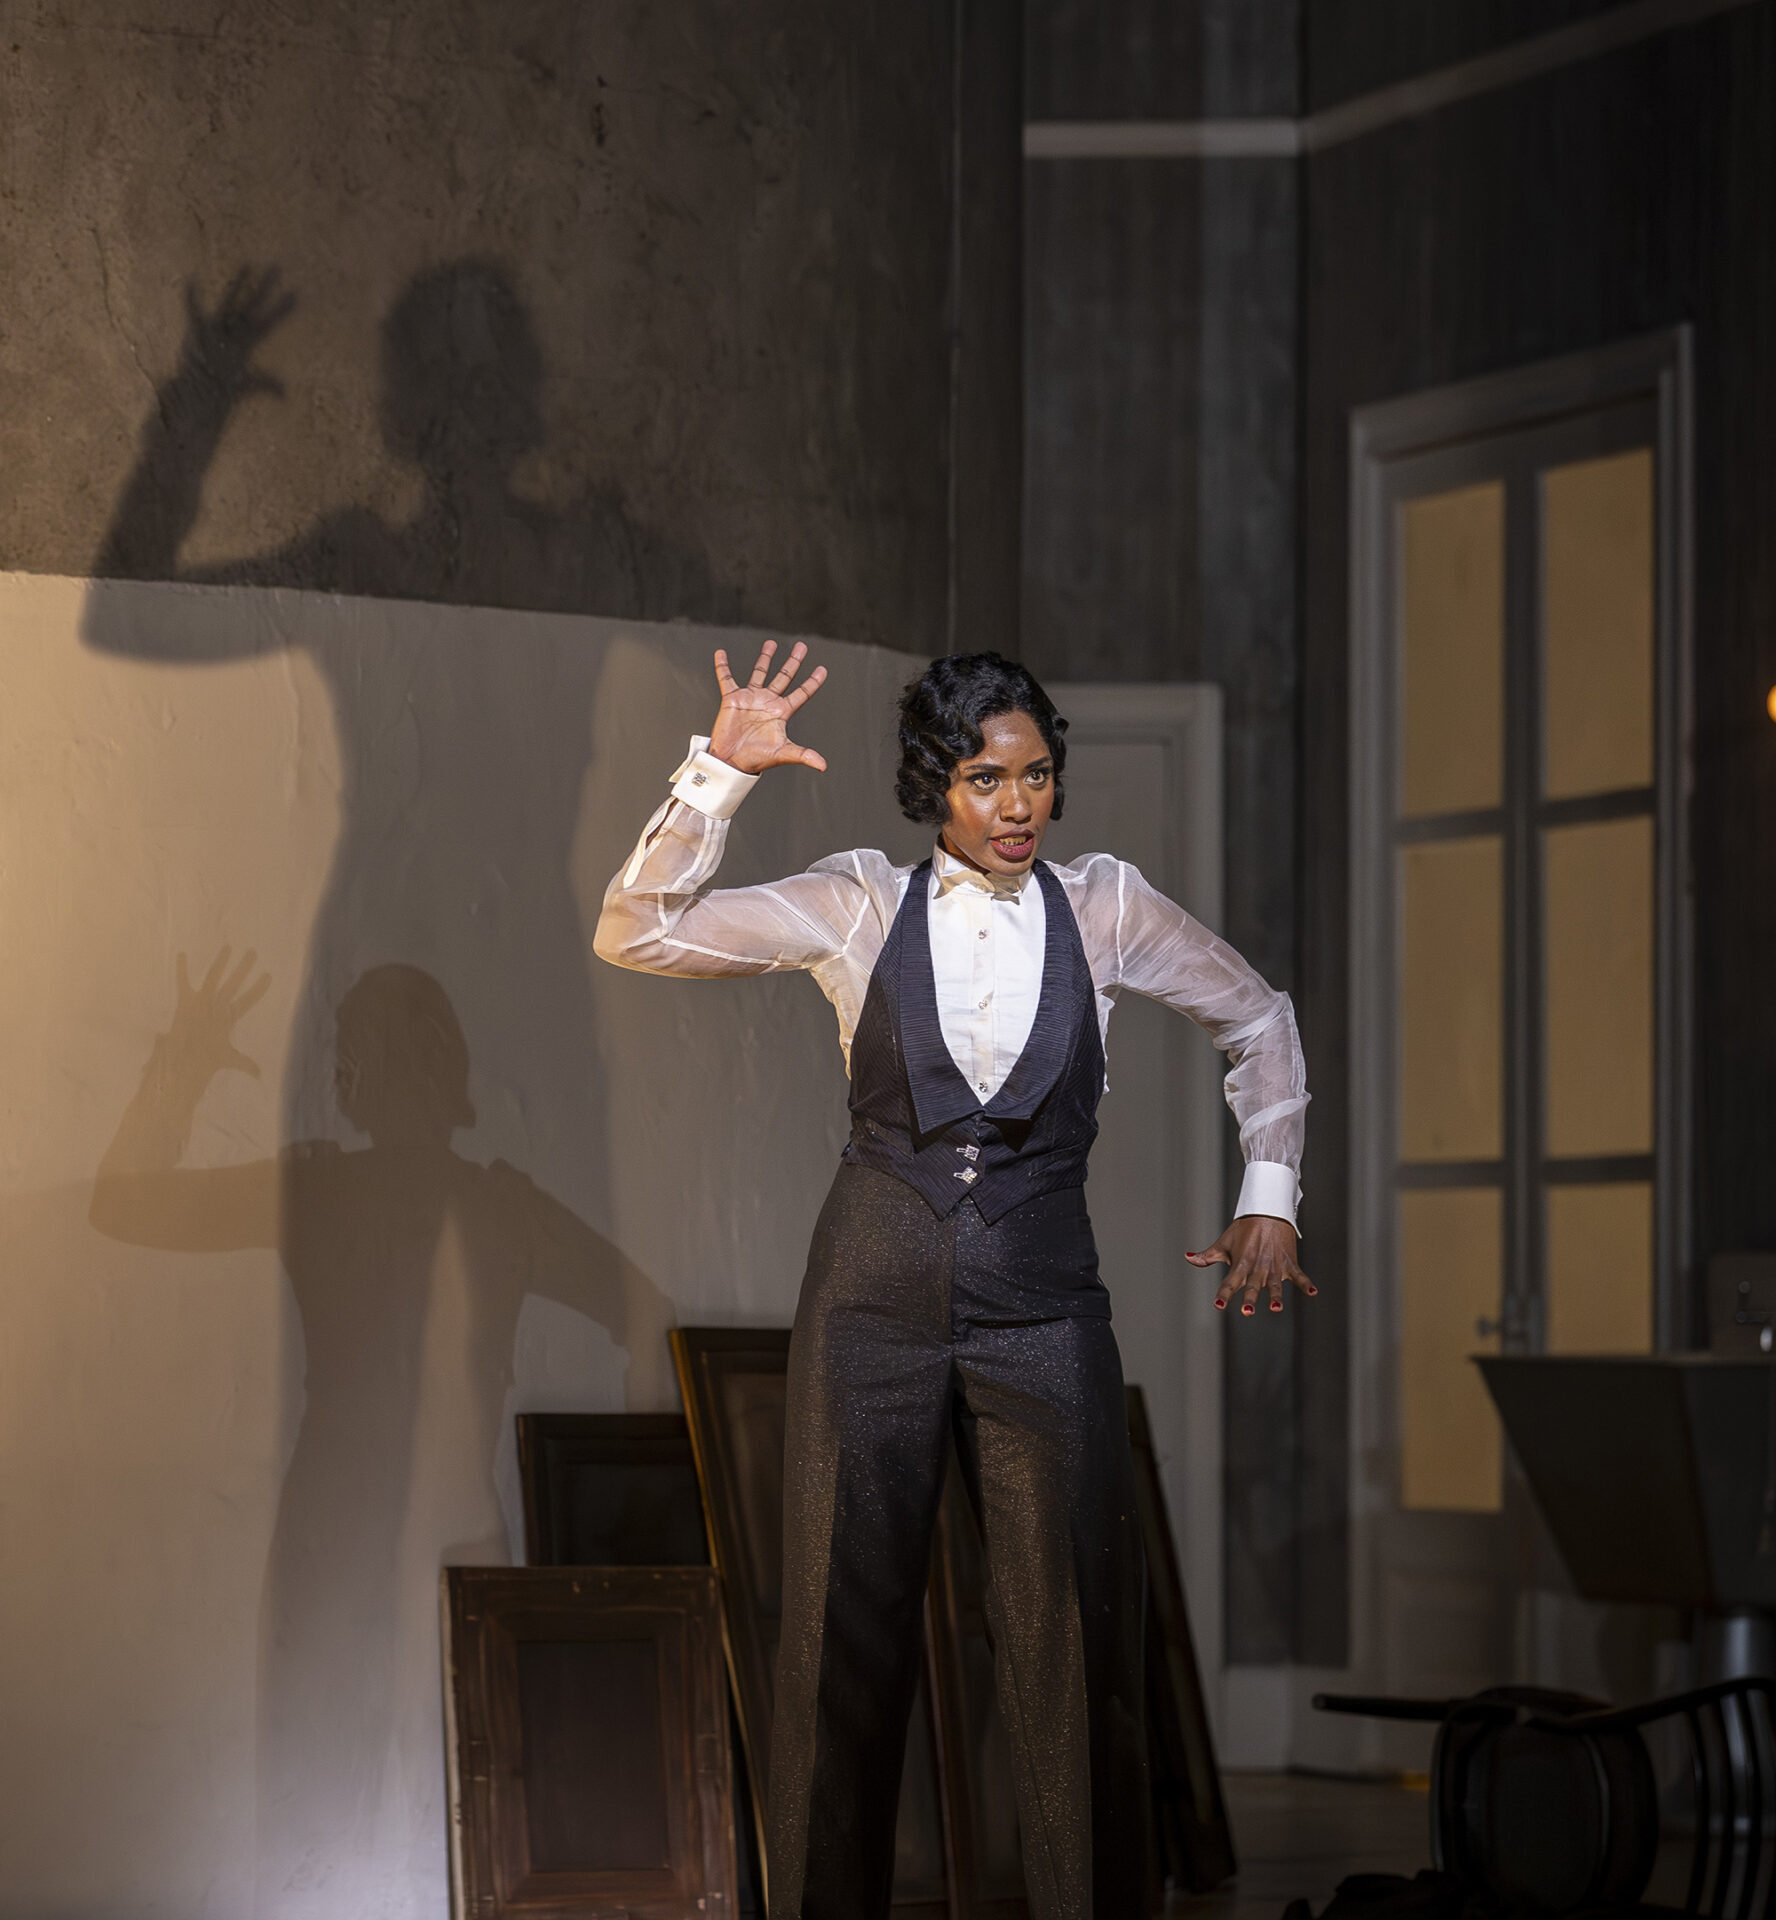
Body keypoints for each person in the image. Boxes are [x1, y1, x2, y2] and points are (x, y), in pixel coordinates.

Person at [595, 643, 1311, 1920]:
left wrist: (1270, 1194)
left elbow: (1258, 1018)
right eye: (988, 780)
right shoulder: (857, 904)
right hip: (870, 1302)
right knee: (836, 1646)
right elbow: (638, 930)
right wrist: (717, 777)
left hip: (1044, 1309)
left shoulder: (1107, 909)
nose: (1020, 806)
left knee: (1072, 1649)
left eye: (1038, 777)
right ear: (938, 784)